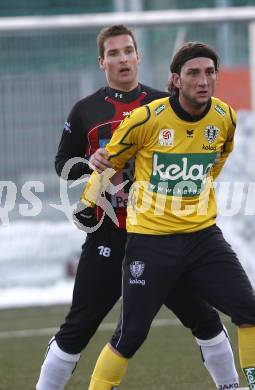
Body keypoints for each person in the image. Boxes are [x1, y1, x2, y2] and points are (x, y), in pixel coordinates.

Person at [36, 26, 239, 390]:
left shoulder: (167, 104)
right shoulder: (86, 110)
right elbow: (62, 165)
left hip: (164, 238)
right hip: (109, 235)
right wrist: (92, 163)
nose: (123, 58)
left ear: (138, 56)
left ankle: (231, 385)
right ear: (102, 62)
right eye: (114, 53)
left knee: (205, 320)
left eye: (129, 50)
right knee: (78, 328)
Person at [83, 42, 255, 390]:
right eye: (193, 73)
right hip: (150, 244)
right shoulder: (146, 119)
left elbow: (216, 162)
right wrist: (94, 185)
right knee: (131, 335)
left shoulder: (224, 117)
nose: (203, 80)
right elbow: (109, 163)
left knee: (250, 313)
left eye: (210, 72)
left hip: (203, 238)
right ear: (175, 79)